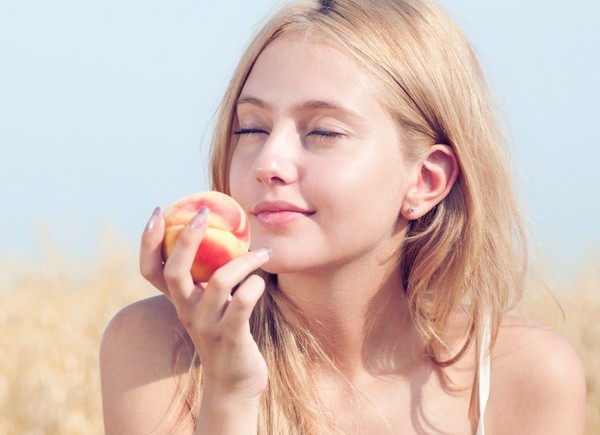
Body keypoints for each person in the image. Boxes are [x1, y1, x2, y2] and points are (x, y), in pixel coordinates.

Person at [99, 0, 586, 433]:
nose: (268, 162)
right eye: (251, 128)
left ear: (426, 181)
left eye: (324, 132)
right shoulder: (158, 350)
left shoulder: (524, 375)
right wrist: (228, 394)